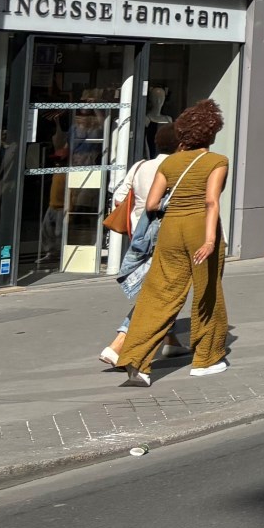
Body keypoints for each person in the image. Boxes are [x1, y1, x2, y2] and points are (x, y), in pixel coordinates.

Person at [113, 100, 230, 383]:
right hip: (199, 228)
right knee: (207, 293)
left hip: (170, 230)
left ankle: (136, 362)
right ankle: (206, 358)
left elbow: (152, 203)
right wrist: (210, 240)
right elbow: (211, 202)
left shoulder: (170, 162)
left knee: (159, 293)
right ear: (211, 133)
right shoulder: (217, 161)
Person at [99, 127, 180, 369]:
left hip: (138, 236)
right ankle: (118, 344)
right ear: (180, 145)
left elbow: (118, 198)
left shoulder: (140, 166)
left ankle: (172, 341)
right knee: (160, 291)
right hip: (163, 237)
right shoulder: (175, 169)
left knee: (161, 287)